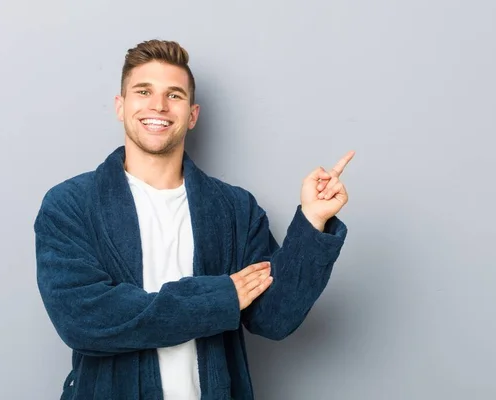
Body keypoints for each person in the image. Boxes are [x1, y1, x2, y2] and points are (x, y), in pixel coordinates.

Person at [34, 39, 354, 400]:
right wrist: (219, 298)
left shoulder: (234, 209)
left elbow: (274, 318)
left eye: (174, 95)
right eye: (143, 91)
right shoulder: (70, 205)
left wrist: (311, 222)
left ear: (192, 114)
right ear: (120, 107)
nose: (158, 105)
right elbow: (84, 319)